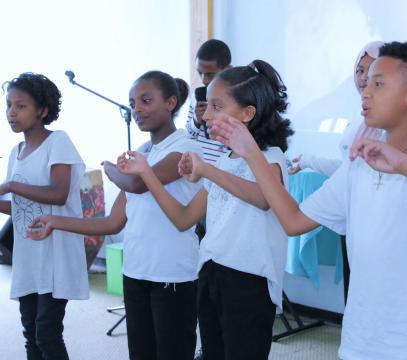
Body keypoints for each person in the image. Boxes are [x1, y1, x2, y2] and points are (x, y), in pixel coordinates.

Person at [209, 41, 407, 359]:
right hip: (359, 343)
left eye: (378, 83)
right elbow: (293, 221)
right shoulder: (359, 163)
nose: (365, 90)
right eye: (365, 79)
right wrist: (252, 152)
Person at [116, 59, 293, 360]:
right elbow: (183, 218)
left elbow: (263, 199)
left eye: (216, 106)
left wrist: (207, 171)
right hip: (212, 273)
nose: (206, 114)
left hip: (249, 281)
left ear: (248, 113)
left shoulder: (271, 158)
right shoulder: (224, 161)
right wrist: (146, 172)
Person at [29, 70, 202, 360]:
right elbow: (113, 222)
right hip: (135, 272)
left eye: (146, 100)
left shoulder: (185, 149)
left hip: (172, 275)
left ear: (171, 102)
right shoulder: (143, 151)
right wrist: (55, 222)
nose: (137, 110)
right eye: (133, 103)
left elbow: (137, 183)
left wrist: (111, 168)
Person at [0, 72, 88, 359]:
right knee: (30, 333)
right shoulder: (16, 152)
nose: (11, 112)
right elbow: (21, 207)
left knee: (46, 333)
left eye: (21, 106)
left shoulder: (58, 141)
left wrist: (11, 185)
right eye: (8, 105)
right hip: (28, 255)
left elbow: (58, 193)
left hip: (55, 254)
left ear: (43, 110)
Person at [289, 41, 384, 175]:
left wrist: (308, 161)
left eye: (372, 71)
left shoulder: (388, 122)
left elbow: (353, 173)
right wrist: (307, 160)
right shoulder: (361, 115)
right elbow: (348, 170)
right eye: (360, 70)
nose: (364, 77)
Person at [186, 39, 232, 163]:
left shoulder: (236, 99)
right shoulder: (196, 98)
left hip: (225, 168)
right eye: (199, 73)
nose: (204, 80)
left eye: (210, 75)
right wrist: (196, 120)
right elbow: (189, 135)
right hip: (200, 167)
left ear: (228, 69)